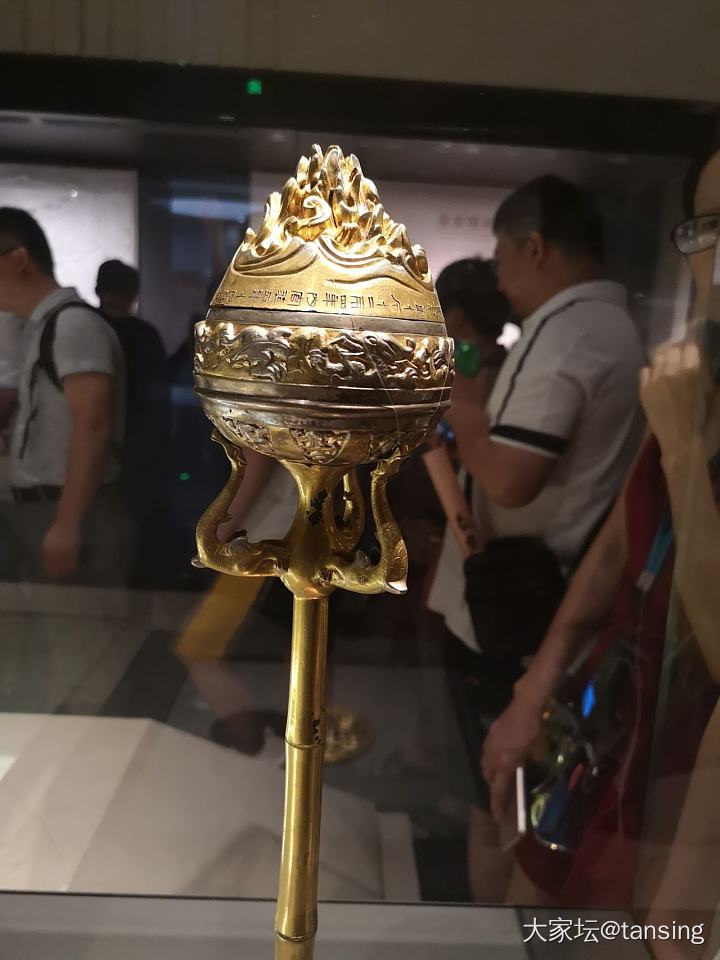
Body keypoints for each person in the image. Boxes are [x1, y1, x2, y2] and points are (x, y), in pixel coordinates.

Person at [481, 150, 720, 914]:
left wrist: (684, 449)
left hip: (688, 747)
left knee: (614, 929)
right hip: (616, 694)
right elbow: (620, 543)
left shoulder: (661, 388)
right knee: (531, 891)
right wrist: (537, 687)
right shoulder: (691, 380)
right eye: (709, 227)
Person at [0, 208, 130, 585]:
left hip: (73, 511)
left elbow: (94, 424)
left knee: (78, 616)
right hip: (48, 508)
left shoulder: (72, 323)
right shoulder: (43, 324)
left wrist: (67, 523)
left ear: (19, 259)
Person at [96, 259, 171, 585]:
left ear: (98, 289)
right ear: (134, 293)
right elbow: (161, 397)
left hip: (93, 447)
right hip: (142, 450)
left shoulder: (90, 328)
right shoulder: (144, 335)